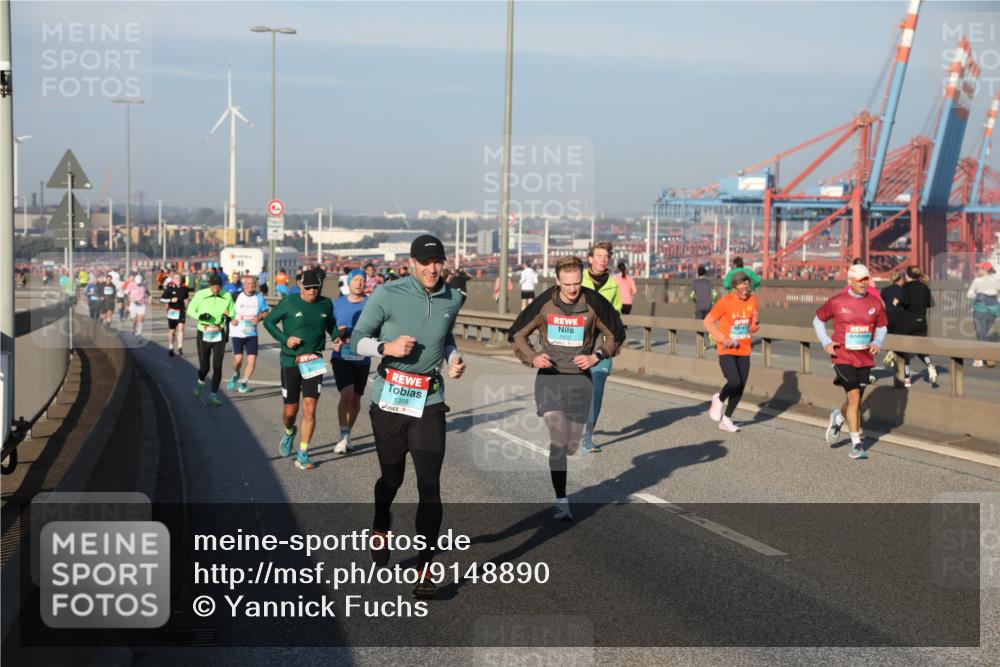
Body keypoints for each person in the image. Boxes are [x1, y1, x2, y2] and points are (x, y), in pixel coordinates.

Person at [350, 234, 467, 599]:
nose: (433, 268)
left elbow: (445, 337)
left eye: (438, 262)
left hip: (429, 400)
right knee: (392, 478)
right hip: (389, 399)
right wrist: (386, 347)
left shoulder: (453, 297)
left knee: (429, 485)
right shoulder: (387, 294)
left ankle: (425, 568)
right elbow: (356, 339)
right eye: (425, 262)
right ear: (412, 263)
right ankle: (380, 522)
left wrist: (453, 359)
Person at [509, 255, 626, 520]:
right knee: (558, 438)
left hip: (580, 380)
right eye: (567, 284)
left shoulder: (594, 302)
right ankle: (562, 500)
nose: (573, 289)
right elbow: (517, 333)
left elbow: (617, 335)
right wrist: (532, 357)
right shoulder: (545, 303)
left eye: (576, 283)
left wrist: (597, 356)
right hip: (550, 377)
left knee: (570, 444)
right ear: (557, 281)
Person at [263, 269, 338, 471]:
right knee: (290, 411)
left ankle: (303, 453)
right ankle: (289, 432)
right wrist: (284, 339)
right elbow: (269, 321)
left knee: (310, 407)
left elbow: (330, 323)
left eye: (316, 287)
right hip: (291, 362)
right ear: (300, 286)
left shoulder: (326, 303)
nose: (313, 291)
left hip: (314, 361)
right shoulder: (289, 302)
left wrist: (336, 336)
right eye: (309, 287)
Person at [813, 263, 887, 459]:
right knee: (854, 397)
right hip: (842, 355)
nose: (864, 283)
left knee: (855, 399)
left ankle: (838, 417)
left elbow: (882, 327)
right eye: (860, 280)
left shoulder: (875, 303)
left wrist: (877, 342)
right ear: (851, 281)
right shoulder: (837, 301)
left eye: (866, 279)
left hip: (864, 358)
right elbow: (818, 320)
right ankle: (856, 445)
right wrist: (826, 342)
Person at [703, 271, 759, 432]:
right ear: (734, 287)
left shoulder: (752, 300)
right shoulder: (725, 302)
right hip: (727, 349)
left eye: (747, 286)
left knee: (740, 387)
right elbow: (707, 322)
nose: (746, 290)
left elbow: (751, 328)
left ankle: (726, 420)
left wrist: (755, 323)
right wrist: (722, 339)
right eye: (742, 287)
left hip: (744, 349)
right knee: (734, 382)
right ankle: (718, 399)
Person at [580, 241, 622, 453]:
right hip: (578, 343)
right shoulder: (578, 279)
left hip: (601, 345)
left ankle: (588, 437)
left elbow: (616, 315)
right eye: (599, 255)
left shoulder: (613, 286)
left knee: (596, 391)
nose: (603, 260)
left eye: (606, 256)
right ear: (590, 259)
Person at [331, 269, 371, 454]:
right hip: (341, 356)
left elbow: (378, 326)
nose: (359, 283)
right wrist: (335, 335)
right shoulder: (337, 303)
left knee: (356, 398)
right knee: (346, 394)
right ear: (349, 282)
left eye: (362, 280)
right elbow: (328, 326)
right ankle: (343, 435)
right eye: (355, 280)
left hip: (362, 356)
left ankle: (347, 434)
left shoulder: (371, 304)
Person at [186, 274, 236, 407]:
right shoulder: (201, 294)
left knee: (217, 366)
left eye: (219, 287)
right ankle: (201, 382)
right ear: (209, 286)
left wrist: (228, 317)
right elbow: (190, 310)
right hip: (204, 332)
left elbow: (232, 312)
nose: (216, 289)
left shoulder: (227, 296)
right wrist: (200, 316)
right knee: (204, 367)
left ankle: (213, 395)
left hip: (219, 333)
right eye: (214, 287)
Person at [227, 275, 269, 394]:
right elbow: (226, 309)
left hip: (252, 333)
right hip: (237, 332)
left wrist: (259, 318)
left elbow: (266, 312)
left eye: (253, 284)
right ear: (244, 285)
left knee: (252, 360)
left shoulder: (259, 297)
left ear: (255, 285)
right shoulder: (236, 296)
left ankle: (243, 384)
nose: (251, 286)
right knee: (238, 359)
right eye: (248, 284)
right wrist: (232, 319)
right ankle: (235, 373)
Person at [896, 265, 937, 388]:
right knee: (920, 349)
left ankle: (907, 379)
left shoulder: (905, 287)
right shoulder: (925, 287)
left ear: (908, 275)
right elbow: (930, 304)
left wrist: (897, 303)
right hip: (921, 323)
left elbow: (905, 302)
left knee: (905, 352)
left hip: (907, 323)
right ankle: (930, 365)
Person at [968, 261, 1000, 367]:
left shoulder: (977, 281)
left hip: (979, 311)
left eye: (980, 268)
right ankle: (981, 358)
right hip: (992, 311)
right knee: (983, 334)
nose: (978, 270)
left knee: (981, 334)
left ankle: (985, 357)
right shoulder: (996, 281)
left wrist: (980, 296)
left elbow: (969, 294)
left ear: (985, 270)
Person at [879, 270, 906, 374]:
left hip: (888, 316)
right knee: (898, 338)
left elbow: (881, 302)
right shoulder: (903, 290)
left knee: (888, 336)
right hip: (900, 317)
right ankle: (894, 355)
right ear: (900, 279)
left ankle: (890, 352)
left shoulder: (885, 290)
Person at [161, 273, 191, 357]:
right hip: (172, 311)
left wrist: (186, 305)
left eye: (179, 278)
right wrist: (170, 300)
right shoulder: (169, 288)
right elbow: (162, 299)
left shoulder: (185, 288)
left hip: (181, 310)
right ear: (173, 279)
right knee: (172, 331)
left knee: (181, 329)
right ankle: (171, 347)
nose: (178, 279)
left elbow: (186, 298)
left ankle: (180, 348)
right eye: (176, 278)